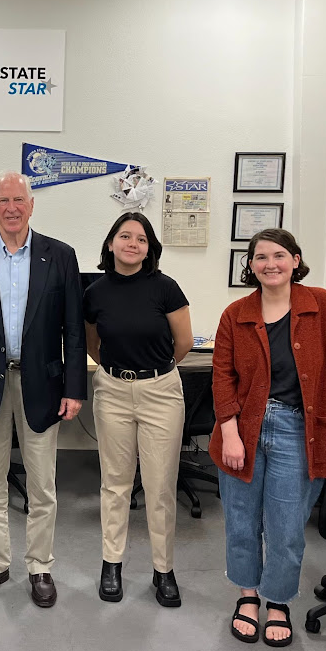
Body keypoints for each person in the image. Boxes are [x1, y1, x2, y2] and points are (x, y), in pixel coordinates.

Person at [209, 228, 326, 646]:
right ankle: (247, 597)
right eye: (260, 257)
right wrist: (229, 433)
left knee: (286, 527)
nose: (270, 264)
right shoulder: (235, 314)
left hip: (300, 431)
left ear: (296, 260)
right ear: (251, 265)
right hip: (243, 429)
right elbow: (221, 377)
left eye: (279, 255)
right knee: (242, 522)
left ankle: (276, 600)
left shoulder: (323, 305)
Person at [0, 170, 87, 608]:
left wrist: (75, 387)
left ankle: (40, 566)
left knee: (42, 483)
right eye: (3, 200)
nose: (11, 207)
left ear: (31, 205)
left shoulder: (59, 255)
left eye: (18, 200)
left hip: (42, 382)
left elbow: (74, 331)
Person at [83, 212, 193, 606]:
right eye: (125, 236)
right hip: (112, 390)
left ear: (150, 249)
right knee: (115, 482)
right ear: (110, 243)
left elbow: (183, 343)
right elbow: (93, 345)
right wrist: (122, 374)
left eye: (141, 239)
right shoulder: (95, 292)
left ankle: (164, 570)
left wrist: (152, 374)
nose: (133, 244)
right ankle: (111, 564)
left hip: (161, 390)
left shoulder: (166, 288)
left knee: (161, 485)